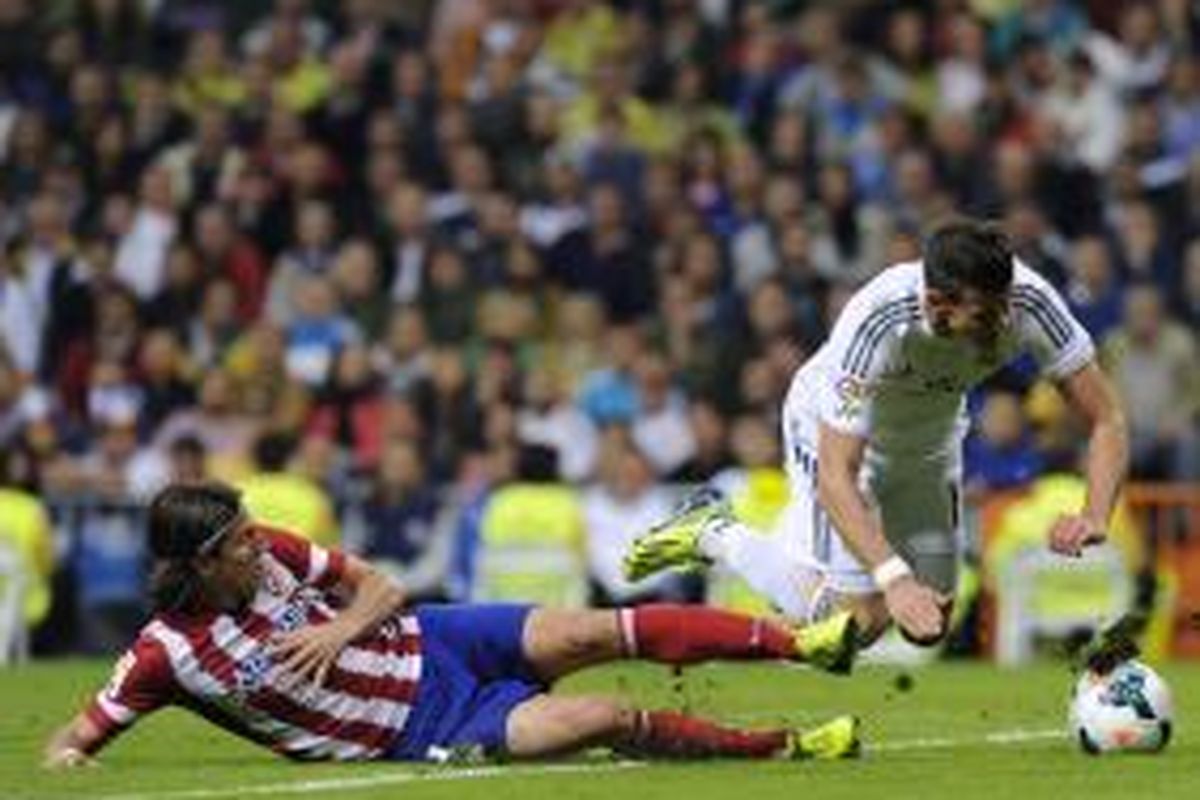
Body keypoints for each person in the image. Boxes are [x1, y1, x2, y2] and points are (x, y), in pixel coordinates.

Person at [43, 482, 860, 768]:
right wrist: (71, 762)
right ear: (202, 562)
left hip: (437, 638)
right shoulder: (167, 657)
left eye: (255, 528)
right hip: (427, 723)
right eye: (242, 539)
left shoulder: (278, 556)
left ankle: (804, 644)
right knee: (601, 718)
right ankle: (789, 747)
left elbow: (383, 586)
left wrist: (337, 631)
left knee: (593, 629)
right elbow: (74, 737)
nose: (262, 542)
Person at [625, 219, 1128, 646]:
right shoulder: (879, 318)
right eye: (983, 316)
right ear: (936, 302)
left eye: (1003, 309)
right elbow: (836, 474)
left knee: (930, 622)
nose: (1000, 327)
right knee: (853, 627)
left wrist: (1095, 512)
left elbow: (1106, 418)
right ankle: (715, 533)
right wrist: (894, 578)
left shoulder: (1031, 303)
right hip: (835, 436)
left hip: (930, 444)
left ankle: (803, 582)